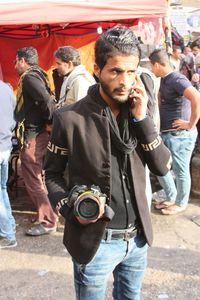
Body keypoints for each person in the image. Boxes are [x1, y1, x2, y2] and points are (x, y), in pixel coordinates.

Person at [44, 26, 171, 300]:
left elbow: (162, 167)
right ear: (97, 69)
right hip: (95, 242)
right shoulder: (69, 118)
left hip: (137, 240)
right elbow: (51, 174)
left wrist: (142, 120)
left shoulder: (139, 110)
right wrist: (70, 212)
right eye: (115, 71)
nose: (125, 81)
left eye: (131, 71)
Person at [149, 48, 200, 215]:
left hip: (180, 136)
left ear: (157, 64)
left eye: (151, 65)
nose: (150, 69)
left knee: (180, 169)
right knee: (161, 166)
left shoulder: (177, 79)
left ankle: (181, 203)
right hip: (168, 133)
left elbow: (196, 97)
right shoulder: (165, 79)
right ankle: (171, 197)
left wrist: (190, 123)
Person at [14, 47, 58, 236]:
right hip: (36, 133)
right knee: (36, 176)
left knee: (31, 177)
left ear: (23, 60)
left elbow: (47, 101)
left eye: (15, 61)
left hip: (34, 135)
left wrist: (50, 122)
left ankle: (48, 221)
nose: (14, 65)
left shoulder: (30, 78)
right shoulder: (38, 75)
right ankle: (46, 212)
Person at [0, 80, 17, 248]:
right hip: (5, 146)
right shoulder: (7, 88)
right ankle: (9, 225)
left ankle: (7, 235)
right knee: (2, 188)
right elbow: (15, 115)